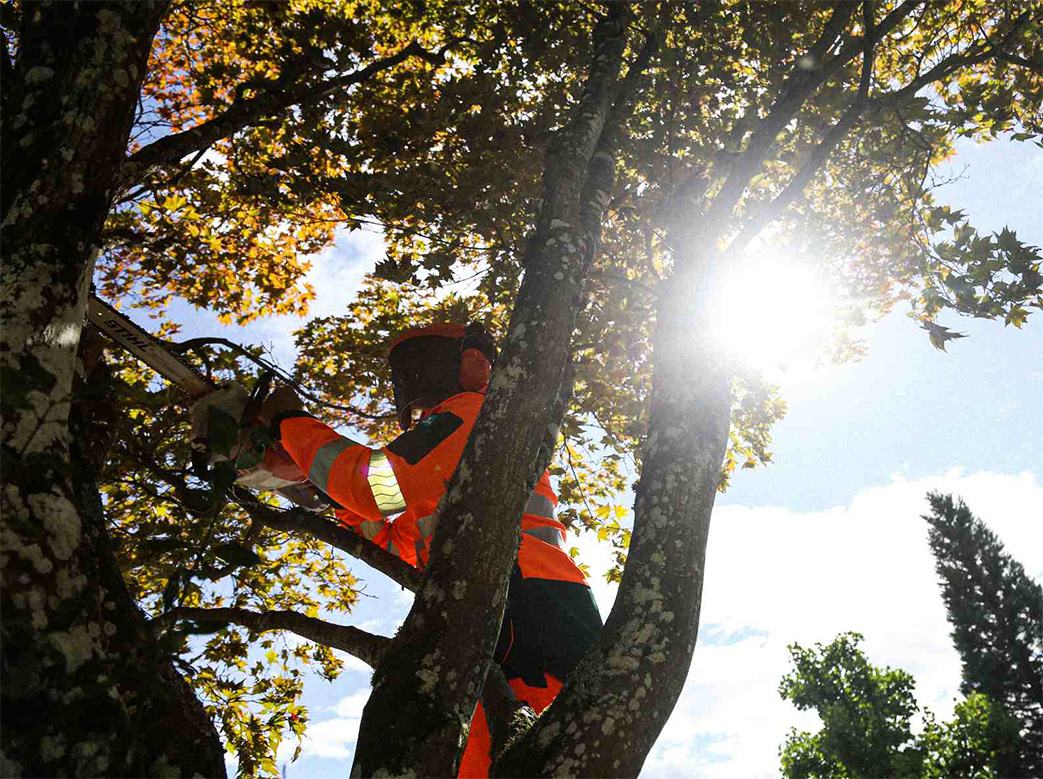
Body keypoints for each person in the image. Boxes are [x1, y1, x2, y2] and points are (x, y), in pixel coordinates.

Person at [259, 322, 602, 777]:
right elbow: (389, 539)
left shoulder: (476, 411)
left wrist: (291, 424)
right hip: (495, 598)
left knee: (527, 758)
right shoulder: (439, 466)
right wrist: (310, 481)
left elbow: (376, 485)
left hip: (527, 599)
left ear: (473, 364)